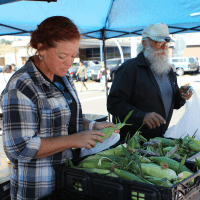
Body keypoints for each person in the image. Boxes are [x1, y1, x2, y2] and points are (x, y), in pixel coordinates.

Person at [0, 16, 119, 200]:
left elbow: (66, 120)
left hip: (69, 180)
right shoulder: (21, 86)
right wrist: (73, 140)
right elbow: (19, 148)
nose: (69, 62)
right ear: (41, 48)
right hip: (39, 188)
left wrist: (92, 127)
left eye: (73, 56)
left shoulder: (63, 77)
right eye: (62, 56)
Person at [107, 22, 193, 142]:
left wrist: (181, 95)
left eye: (166, 43)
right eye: (159, 43)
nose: (164, 47)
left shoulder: (168, 70)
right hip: (132, 143)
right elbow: (114, 104)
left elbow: (175, 104)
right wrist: (142, 116)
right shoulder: (129, 69)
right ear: (145, 43)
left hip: (158, 141)